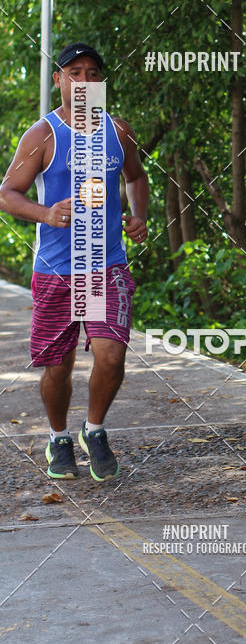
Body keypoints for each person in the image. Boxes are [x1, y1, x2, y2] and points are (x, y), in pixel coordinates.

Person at [0, 43, 149, 482]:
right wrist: (46, 213)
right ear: (58, 80)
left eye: (93, 73)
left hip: (106, 265)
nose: (84, 80)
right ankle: (59, 437)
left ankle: (94, 430)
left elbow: (136, 176)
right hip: (56, 269)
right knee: (58, 365)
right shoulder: (42, 135)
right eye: (74, 72)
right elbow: (7, 194)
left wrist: (138, 215)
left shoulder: (118, 132)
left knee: (112, 355)